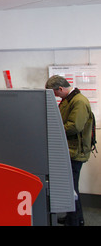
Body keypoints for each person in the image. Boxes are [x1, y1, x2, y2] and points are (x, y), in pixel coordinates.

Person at [46, 75, 93, 226]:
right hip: (69, 149)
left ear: (60, 88)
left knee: (72, 190)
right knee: (69, 188)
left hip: (75, 152)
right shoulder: (69, 100)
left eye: (55, 93)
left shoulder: (79, 101)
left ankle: (76, 221)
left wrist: (52, 131)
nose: (55, 96)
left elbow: (74, 126)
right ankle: (70, 217)